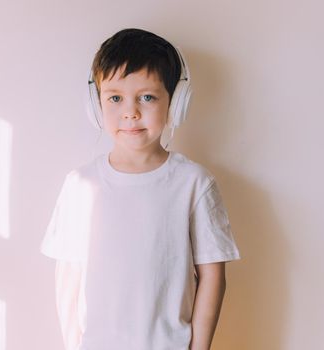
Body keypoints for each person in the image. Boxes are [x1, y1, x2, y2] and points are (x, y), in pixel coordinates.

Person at [40, 28, 241, 350]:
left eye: (147, 97)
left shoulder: (194, 183)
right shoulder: (80, 185)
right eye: (116, 98)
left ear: (176, 102)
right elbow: (68, 276)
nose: (131, 112)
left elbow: (213, 275)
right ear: (96, 104)